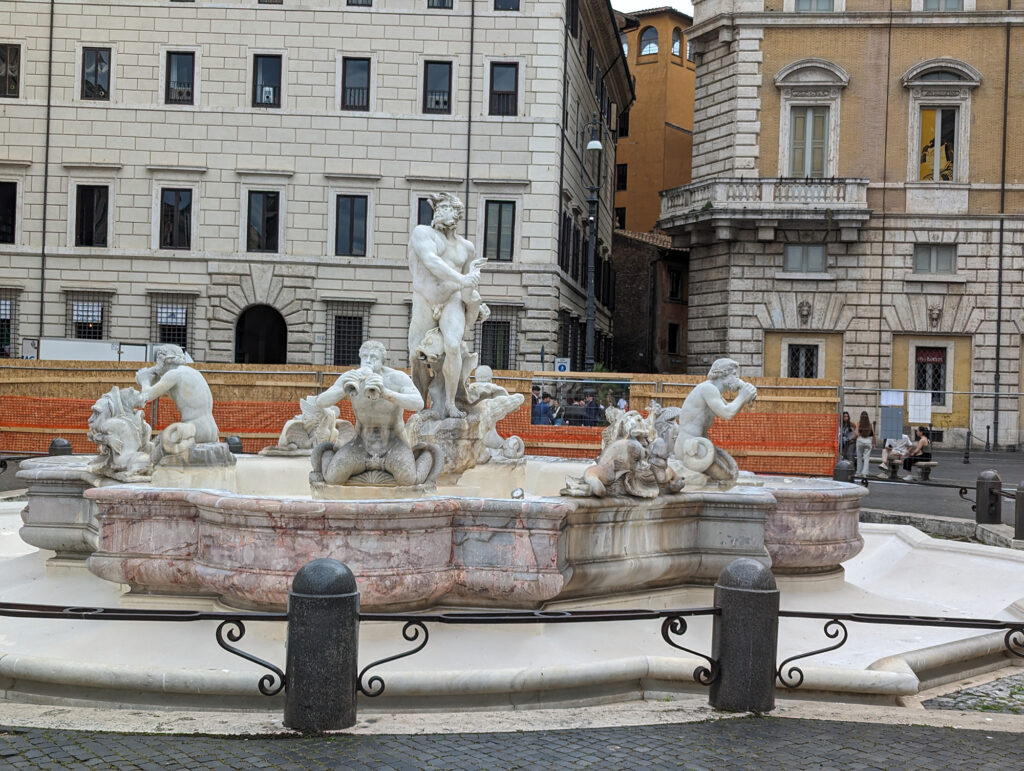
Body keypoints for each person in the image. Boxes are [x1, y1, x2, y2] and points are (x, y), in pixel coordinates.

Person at [407, 193, 488, 419]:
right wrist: (462, 280)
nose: (439, 212)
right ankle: (421, 404)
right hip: (425, 297)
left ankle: (450, 404)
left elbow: (466, 282)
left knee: (453, 345)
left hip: (452, 298)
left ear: (457, 213)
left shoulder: (467, 248)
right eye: (438, 208)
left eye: (445, 208)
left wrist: (475, 302)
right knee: (416, 356)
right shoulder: (423, 233)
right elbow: (432, 262)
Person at [855, 411, 874, 478]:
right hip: (868, 442)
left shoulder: (858, 423)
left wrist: (861, 434)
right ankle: (864, 473)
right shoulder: (870, 424)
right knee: (866, 458)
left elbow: (857, 434)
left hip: (860, 441)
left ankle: (858, 472)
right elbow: (873, 435)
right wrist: (874, 443)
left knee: (859, 458)